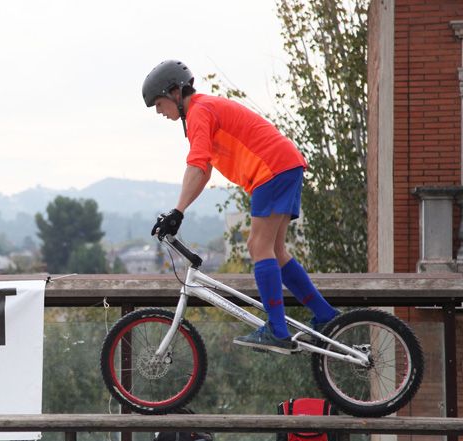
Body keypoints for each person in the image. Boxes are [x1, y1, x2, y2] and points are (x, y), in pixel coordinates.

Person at [144, 59, 337, 354]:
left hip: (270, 169)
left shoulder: (199, 112)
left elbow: (196, 167)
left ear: (173, 92)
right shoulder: (203, 111)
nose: (159, 112)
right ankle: (325, 316)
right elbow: (203, 170)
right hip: (283, 166)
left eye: (159, 104)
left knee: (258, 246)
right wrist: (178, 211)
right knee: (275, 250)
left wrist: (177, 212)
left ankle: (277, 329)